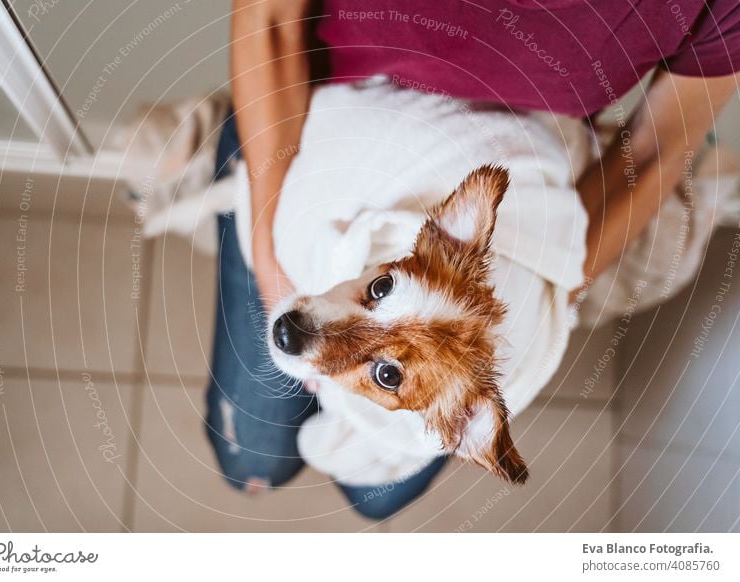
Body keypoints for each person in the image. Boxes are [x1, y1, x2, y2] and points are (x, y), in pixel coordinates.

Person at [206, 0, 740, 519]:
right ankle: (230, 166)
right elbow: (266, 15)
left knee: (378, 499)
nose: (311, 333)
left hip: (525, 148)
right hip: (315, 132)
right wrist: (271, 253)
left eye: (389, 373)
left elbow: (657, 148)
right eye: (380, 290)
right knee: (250, 460)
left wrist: (554, 282)